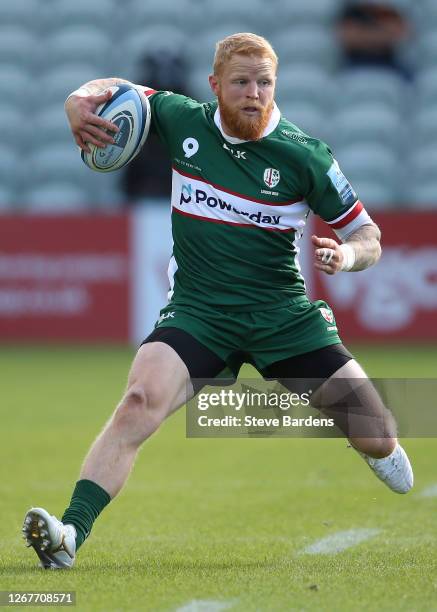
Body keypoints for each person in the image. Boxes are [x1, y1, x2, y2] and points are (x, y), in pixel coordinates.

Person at [22, 32, 413, 570]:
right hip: (200, 312)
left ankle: (382, 447)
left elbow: (369, 235)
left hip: (283, 317)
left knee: (376, 435)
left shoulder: (306, 157)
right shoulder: (183, 119)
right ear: (215, 86)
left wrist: (346, 258)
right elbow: (119, 89)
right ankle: (70, 534)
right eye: (241, 82)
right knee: (138, 402)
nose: (254, 93)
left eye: (264, 82)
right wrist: (76, 100)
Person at [336, 0, 412, 79]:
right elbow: (347, 37)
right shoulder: (351, 11)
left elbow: (402, 34)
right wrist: (383, 34)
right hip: (355, 62)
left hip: (388, 62)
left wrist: (362, 34)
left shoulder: (389, 11)